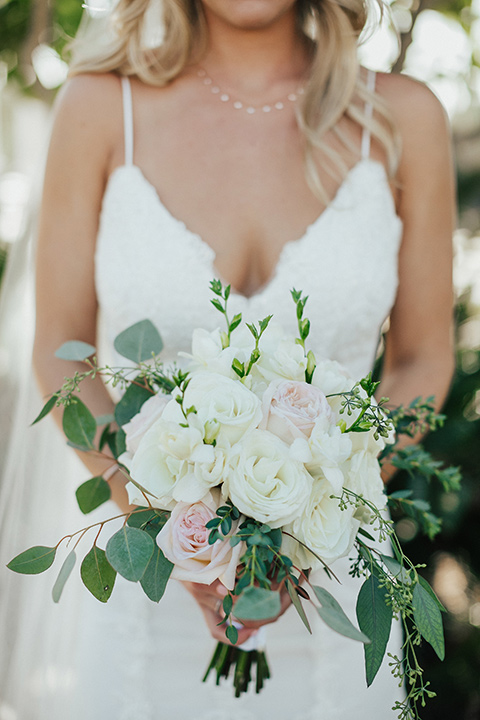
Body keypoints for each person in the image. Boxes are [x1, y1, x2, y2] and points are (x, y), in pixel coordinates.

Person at [0, 0, 455, 717]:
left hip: (332, 594)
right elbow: (59, 351)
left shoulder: (405, 118)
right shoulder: (99, 109)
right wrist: (176, 533)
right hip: (146, 604)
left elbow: (423, 361)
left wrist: (302, 521)